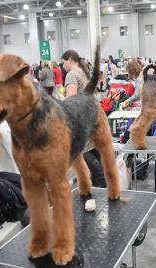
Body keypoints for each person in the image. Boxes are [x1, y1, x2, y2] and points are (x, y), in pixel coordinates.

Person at [61, 49, 106, 187]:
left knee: (88, 160)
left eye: (63, 62)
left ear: (69, 60)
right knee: (97, 160)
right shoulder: (83, 72)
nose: (62, 66)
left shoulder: (72, 75)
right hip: (94, 121)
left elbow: (70, 103)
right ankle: (104, 189)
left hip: (83, 125)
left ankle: (102, 191)